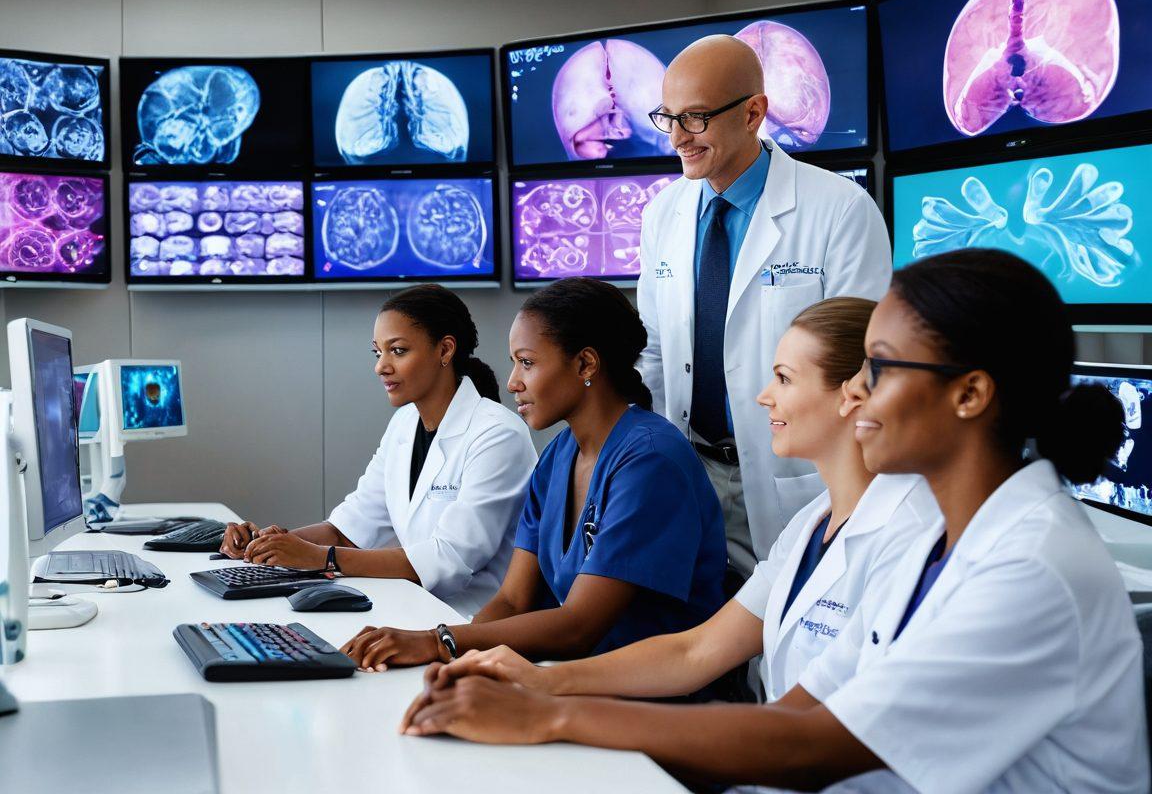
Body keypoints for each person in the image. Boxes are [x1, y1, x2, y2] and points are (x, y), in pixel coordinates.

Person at [398, 249, 1149, 794]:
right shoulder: (932, 537)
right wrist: (544, 693)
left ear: (970, 394)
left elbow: (811, 744)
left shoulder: (1029, 567)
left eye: (878, 371)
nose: (859, 397)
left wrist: (547, 716)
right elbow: (792, 702)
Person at [405, 296, 938, 707]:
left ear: (852, 394)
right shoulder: (809, 526)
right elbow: (696, 651)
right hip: (672, 716)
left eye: (783, 378)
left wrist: (465, 654)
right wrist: (534, 681)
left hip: (694, 725)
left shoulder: (912, 534)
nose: (762, 396)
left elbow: (807, 724)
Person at [338, 278, 728, 672]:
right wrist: (454, 663)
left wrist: (439, 642)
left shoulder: (650, 460)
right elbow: (512, 601)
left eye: (527, 362)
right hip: (570, 675)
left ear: (585, 364)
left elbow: (579, 626)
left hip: (649, 693)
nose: (512, 383)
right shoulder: (558, 456)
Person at [638, 34, 893, 582]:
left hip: (798, 475)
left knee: (788, 642)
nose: (677, 138)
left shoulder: (840, 210)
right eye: (669, 117)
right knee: (699, 635)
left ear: (754, 112)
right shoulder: (663, 213)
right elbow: (653, 353)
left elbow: (864, 361)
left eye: (697, 118)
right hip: (690, 469)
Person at [218, 284, 537, 619]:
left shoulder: (498, 434)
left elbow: (448, 560)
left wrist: (320, 557)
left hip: (471, 622)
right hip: (412, 609)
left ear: (444, 350)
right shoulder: (404, 424)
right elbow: (348, 530)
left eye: (397, 351)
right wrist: (266, 546)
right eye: (378, 353)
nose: (381, 366)